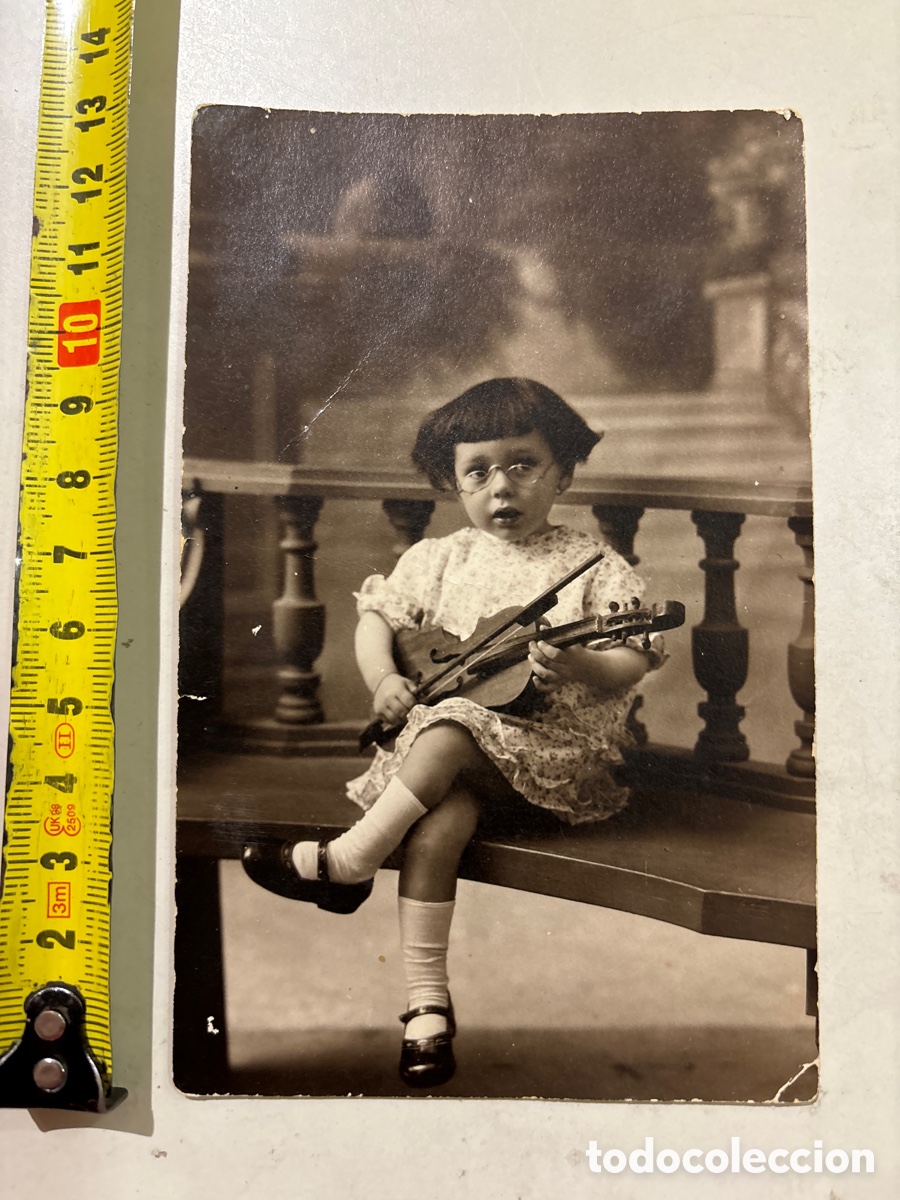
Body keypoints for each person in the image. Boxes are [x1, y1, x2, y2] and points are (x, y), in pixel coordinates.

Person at [243, 377, 667, 1089]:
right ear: (454, 482)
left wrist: (582, 660)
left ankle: (348, 864)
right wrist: (384, 681)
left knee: (453, 723)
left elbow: (633, 658)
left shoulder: (591, 566)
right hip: (458, 769)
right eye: (478, 472)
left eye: (523, 466)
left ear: (562, 472)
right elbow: (377, 620)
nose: (501, 488)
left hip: (555, 760)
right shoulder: (442, 558)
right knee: (439, 827)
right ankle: (426, 1008)